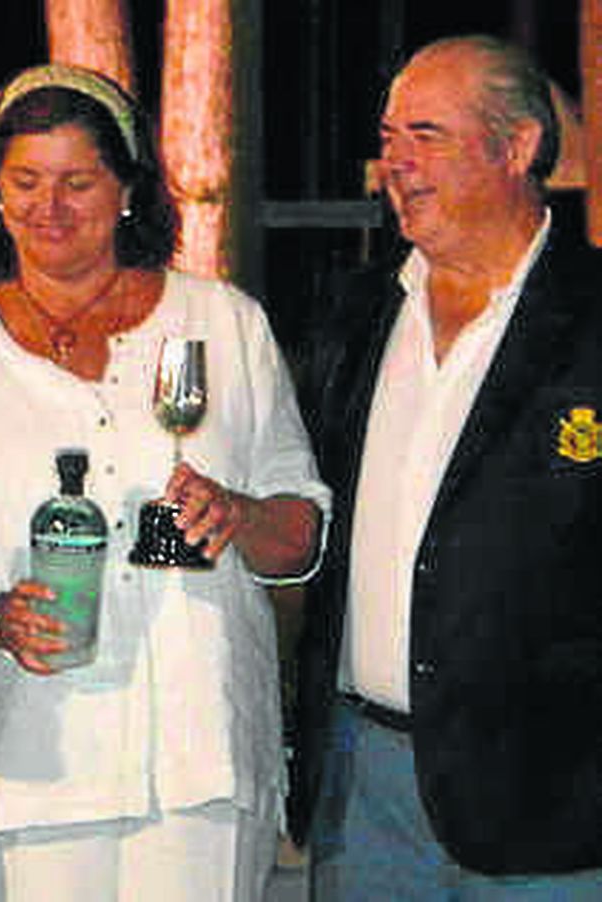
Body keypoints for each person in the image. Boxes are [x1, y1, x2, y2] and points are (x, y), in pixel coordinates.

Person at [0, 64, 329, 900]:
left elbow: (300, 537)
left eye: (78, 182)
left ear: (130, 188)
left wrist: (236, 513)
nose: (49, 208)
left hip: (198, 765)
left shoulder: (224, 324)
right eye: (24, 181)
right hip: (24, 766)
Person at [293, 35, 602, 897]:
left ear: (518, 148)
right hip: (363, 795)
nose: (394, 162)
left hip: (555, 810)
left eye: (425, 134)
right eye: (388, 136)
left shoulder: (593, 320)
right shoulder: (353, 315)